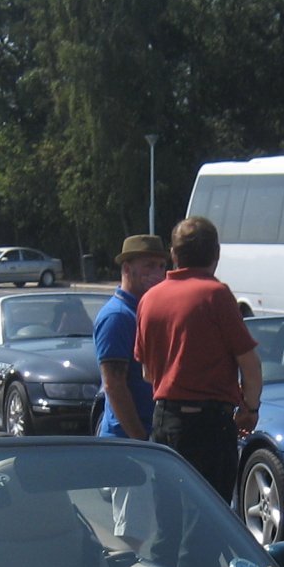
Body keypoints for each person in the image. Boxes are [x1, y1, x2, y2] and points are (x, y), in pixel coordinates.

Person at [135, 216, 261, 501]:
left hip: (164, 421)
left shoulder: (149, 299)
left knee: (168, 515)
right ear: (215, 255)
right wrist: (250, 409)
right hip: (208, 426)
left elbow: (147, 374)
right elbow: (250, 366)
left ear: (174, 255)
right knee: (208, 519)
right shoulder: (215, 295)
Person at [94, 233, 170, 544]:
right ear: (127, 267)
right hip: (127, 445)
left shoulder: (146, 310)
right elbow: (114, 385)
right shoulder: (117, 316)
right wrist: (141, 440)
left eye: (162, 266)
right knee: (131, 540)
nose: (158, 273)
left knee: (156, 533)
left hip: (146, 441)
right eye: (149, 265)